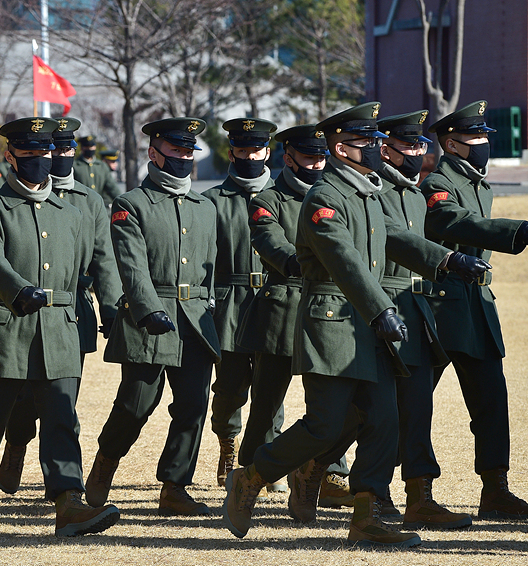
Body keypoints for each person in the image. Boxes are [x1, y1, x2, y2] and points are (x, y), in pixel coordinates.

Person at [222, 102, 489, 547]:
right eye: (367, 142)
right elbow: (344, 261)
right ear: (342, 147)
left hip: (368, 322)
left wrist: (446, 258)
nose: (377, 148)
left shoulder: (367, 192)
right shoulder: (323, 197)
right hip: (333, 324)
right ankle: (250, 476)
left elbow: (395, 238)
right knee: (325, 425)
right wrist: (381, 308)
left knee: (383, 419)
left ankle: (367, 517)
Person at [0, 117, 120, 537]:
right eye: (27, 153)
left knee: (62, 416)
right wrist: (18, 289)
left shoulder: (74, 212)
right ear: (10, 156)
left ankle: (68, 503)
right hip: (10, 324)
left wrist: (112, 308)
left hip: (61, 326)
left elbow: (97, 264)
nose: (38, 160)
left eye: (44, 152)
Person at [421, 100, 528, 521]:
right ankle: (404, 489)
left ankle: (495, 490)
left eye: (484, 137)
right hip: (439, 307)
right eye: (475, 138)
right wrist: (516, 231)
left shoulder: (478, 182)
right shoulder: (437, 184)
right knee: (406, 402)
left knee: (491, 402)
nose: (483, 145)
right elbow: (455, 223)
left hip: (475, 306)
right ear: (451, 143)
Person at [85, 117, 220, 516]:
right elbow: (131, 266)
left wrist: (210, 307)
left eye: (188, 151)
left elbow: (210, 264)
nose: (183, 158)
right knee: (136, 403)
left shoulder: (205, 205)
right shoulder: (131, 204)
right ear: (153, 153)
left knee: (193, 405)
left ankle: (174, 486)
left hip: (195, 319)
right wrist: (147, 310)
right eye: (175, 150)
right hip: (151, 318)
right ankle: (106, 461)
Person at [0, 117, 122, 495]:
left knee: (63, 399)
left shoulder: (90, 199)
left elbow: (104, 260)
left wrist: (111, 308)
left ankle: (67, 488)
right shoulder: (15, 196)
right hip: (25, 309)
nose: (63, 155)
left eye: (68, 148)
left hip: (72, 309)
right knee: (22, 398)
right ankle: (17, 441)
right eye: (58, 147)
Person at [234, 124, 353, 515]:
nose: (317, 164)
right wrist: (305, 262)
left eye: (322, 157)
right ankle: (253, 469)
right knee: (267, 401)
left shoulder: (338, 196)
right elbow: (269, 240)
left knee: (335, 401)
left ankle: (331, 472)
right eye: (308, 157)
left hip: (331, 313)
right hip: (283, 310)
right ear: (288, 158)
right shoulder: (269, 198)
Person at [376, 110, 477, 529]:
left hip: (414, 311)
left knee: (416, 406)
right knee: (368, 413)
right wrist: (448, 259)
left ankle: (419, 496)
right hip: (375, 311)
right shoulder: (372, 191)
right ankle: (321, 472)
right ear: (386, 150)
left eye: (421, 145)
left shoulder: (416, 195)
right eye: (408, 145)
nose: (418, 152)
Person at [201, 118, 280, 489]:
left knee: (272, 385)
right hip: (228, 303)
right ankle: (228, 447)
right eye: (243, 149)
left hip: (273, 301)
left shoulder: (282, 196)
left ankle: (266, 459)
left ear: (269, 151)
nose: (250, 156)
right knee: (230, 387)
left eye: (257, 149)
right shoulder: (212, 201)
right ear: (231, 152)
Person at [73, 135, 122, 208]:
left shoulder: (101, 166)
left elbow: (112, 187)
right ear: (82, 148)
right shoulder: (75, 165)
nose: (90, 149)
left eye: (92, 146)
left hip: (98, 206)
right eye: (87, 147)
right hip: (81, 206)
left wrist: (122, 201)